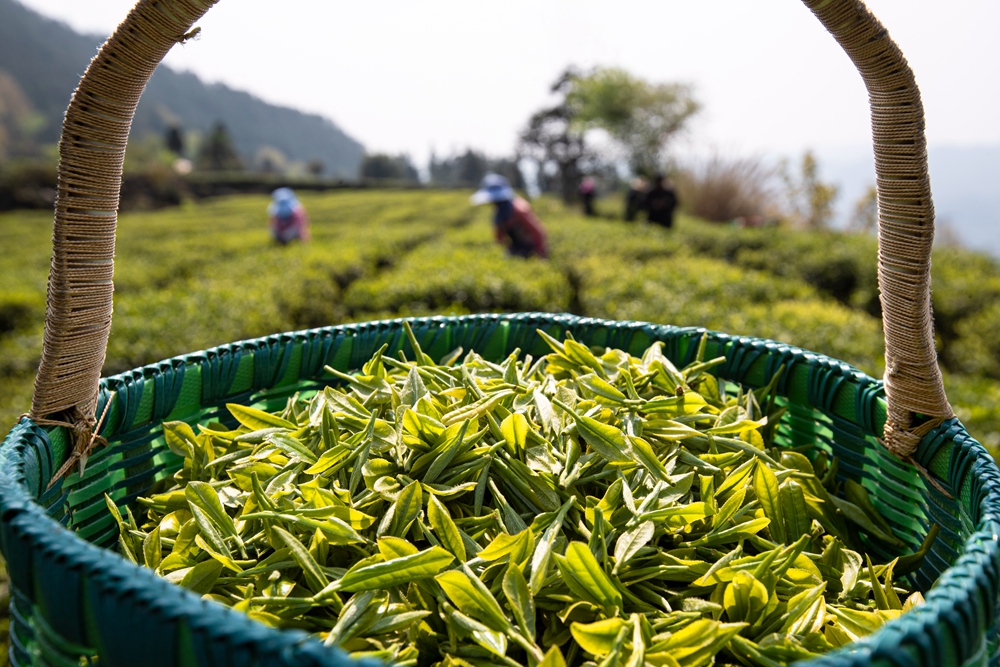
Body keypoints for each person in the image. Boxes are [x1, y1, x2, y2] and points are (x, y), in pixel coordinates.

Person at [471, 174, 548, 258]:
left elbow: (538, 232)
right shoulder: (499, 214)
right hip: (517, 247)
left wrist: (540, 255)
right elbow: (499, 238)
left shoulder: (519, 209)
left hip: (531, 247)